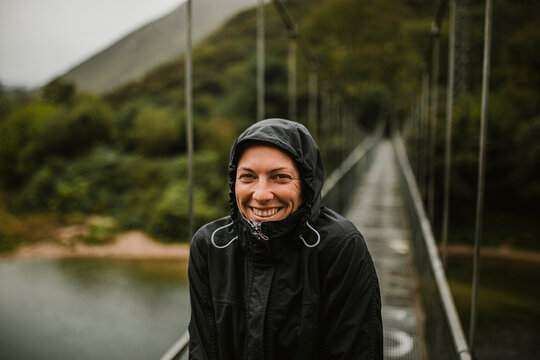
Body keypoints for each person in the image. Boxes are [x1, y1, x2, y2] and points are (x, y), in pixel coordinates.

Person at [188, 118, 383, 359]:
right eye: (247, 177)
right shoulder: (210, 246)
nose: (261, 195)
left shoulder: (340, 247)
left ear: (307, 184)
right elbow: (203, 349)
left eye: (280, 177)